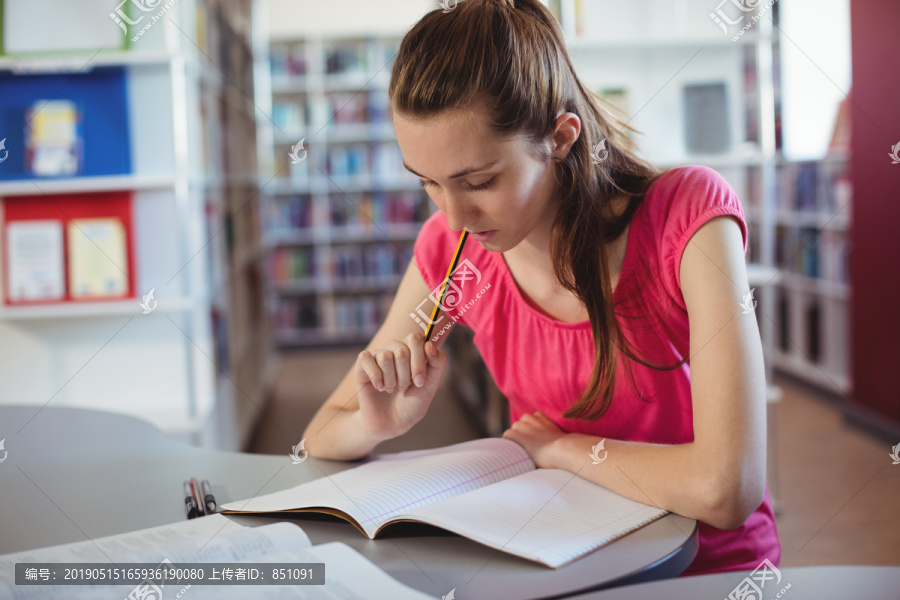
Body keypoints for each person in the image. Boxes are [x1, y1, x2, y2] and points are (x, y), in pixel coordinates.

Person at [302, 0, 781, 576]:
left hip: (701, 573)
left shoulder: (688, 218)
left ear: (559, 136)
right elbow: (321, 434)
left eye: (478, 181)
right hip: (560, 560)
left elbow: (727, 490)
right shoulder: (458, 259)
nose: (454, 218)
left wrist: (559, 450)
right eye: (428, 182)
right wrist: (376, 425)